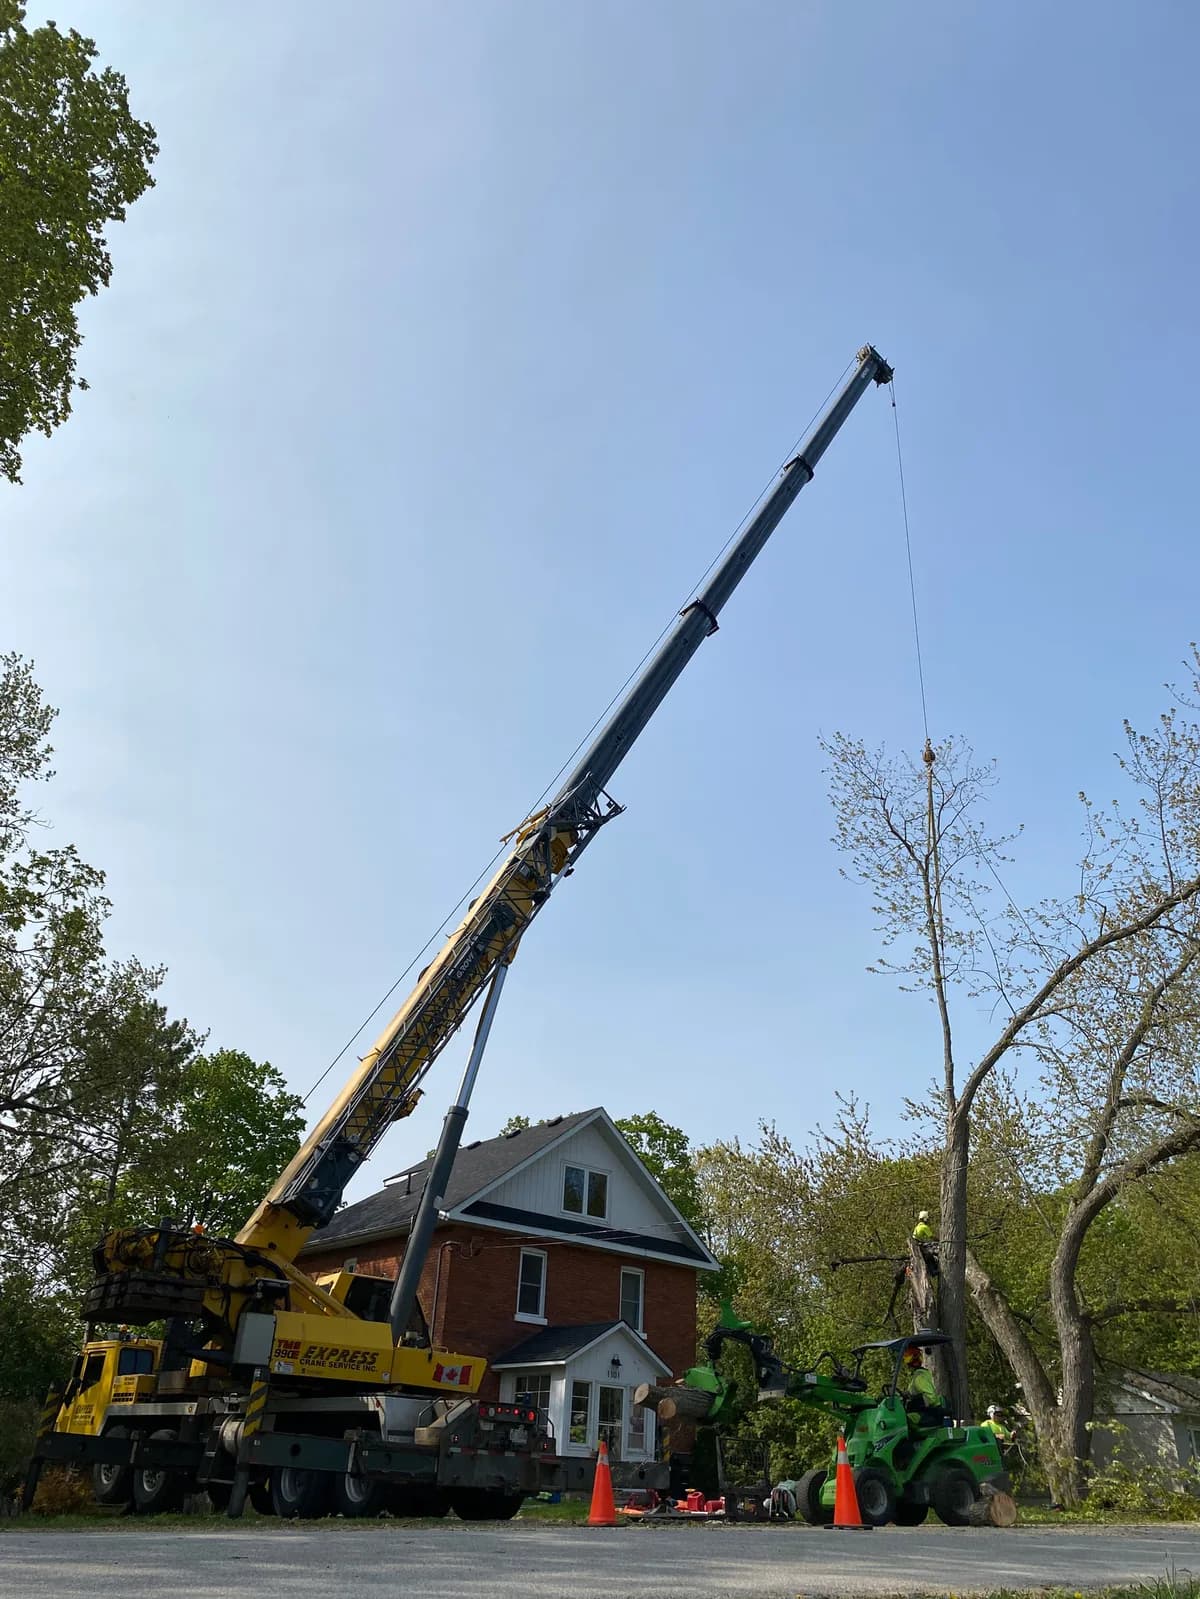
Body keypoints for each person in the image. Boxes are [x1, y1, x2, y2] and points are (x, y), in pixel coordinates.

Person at [902, 1346, 946, 1425]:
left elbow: (931, 1398)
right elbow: (912, 1392)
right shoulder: (919, 1375)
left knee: (903, 1420)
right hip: (926, 1412)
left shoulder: (920, 1377)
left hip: (929, 1413)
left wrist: (916, 1401)